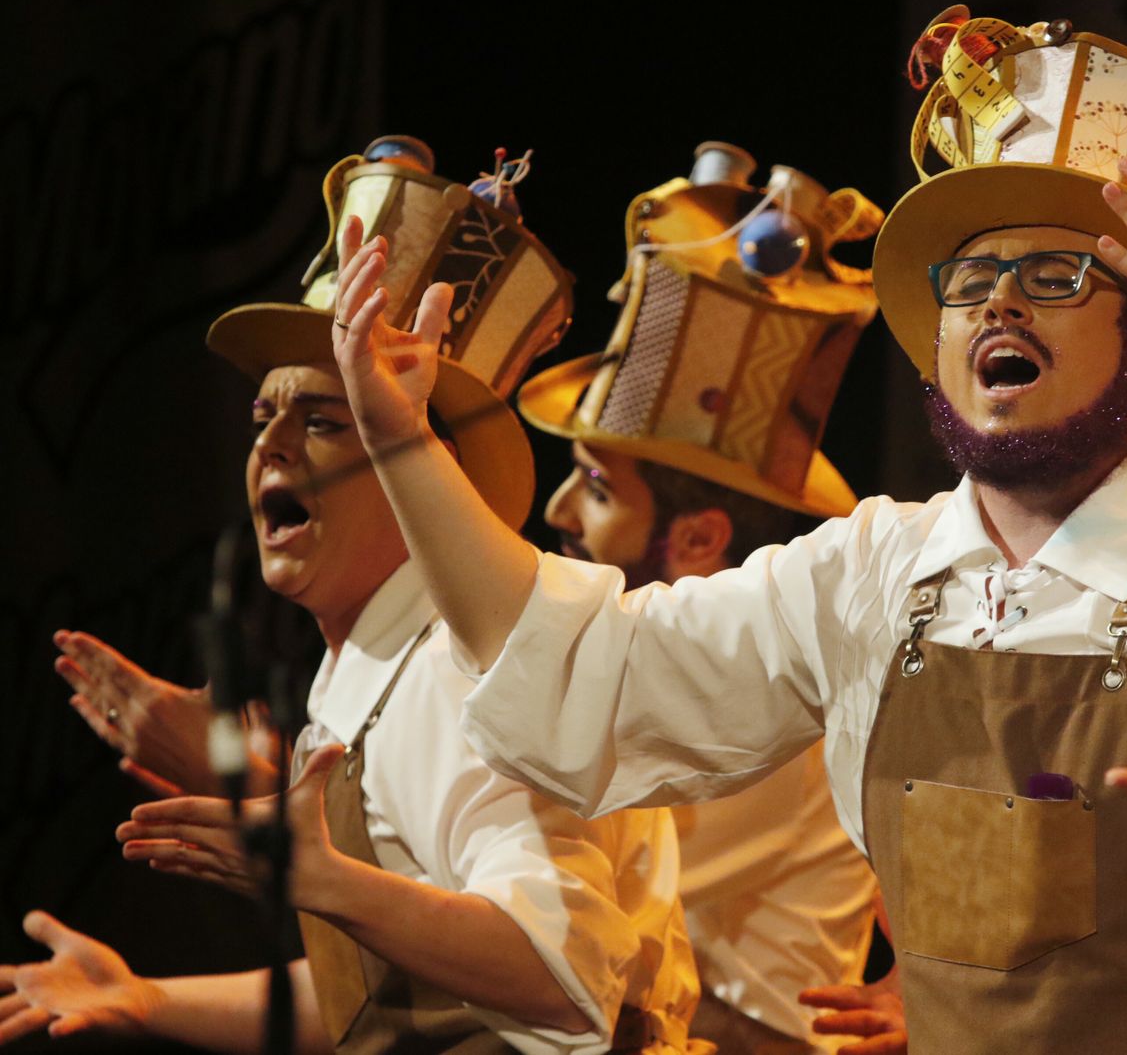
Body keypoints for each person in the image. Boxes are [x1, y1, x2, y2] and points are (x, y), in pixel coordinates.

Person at [327, 14, 1127, 1054]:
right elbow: (578, 667)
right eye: (970, 279)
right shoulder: (871, 575)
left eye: (1054, 275)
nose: (998, 299)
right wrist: (401, 443)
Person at [0, 139, 700, 1054]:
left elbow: (564, 978)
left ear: (425, 471)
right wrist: (145, 998)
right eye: (264, 416)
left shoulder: (464, 670)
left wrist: (322, 877)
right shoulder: (366, 670)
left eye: (324, 420)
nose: (272, 444)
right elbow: (388, 994)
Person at [515, 143, 884, 1053]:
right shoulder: (644, 669)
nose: (557, 512)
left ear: (698, 540)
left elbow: (559, 908)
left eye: (596, 489)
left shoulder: (769, 694)